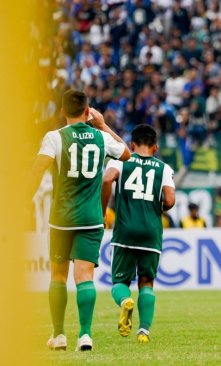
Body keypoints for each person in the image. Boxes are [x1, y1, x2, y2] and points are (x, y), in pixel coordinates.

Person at [31, 89, 130, 351]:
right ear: (88, 111)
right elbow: (127, 154)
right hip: (91, 217)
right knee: (85, 277)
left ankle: (59, 335)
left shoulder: (54, 138)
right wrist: (104, 125)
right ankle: (85, 335)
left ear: (62, 111)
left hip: (61, 218)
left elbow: (37, 170)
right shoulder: (100, 137)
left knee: (58, 277)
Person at [101, 124, 176, 344]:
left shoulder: (120, 161)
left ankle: (125, 300)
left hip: (125, 230)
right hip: (150, 233)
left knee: (119, 281)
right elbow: (170, 200)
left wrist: (103, 210)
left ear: (132, 145)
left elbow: (106, 179)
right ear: (155, 147)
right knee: (147, 282)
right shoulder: (164, 168)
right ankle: (143, 331)